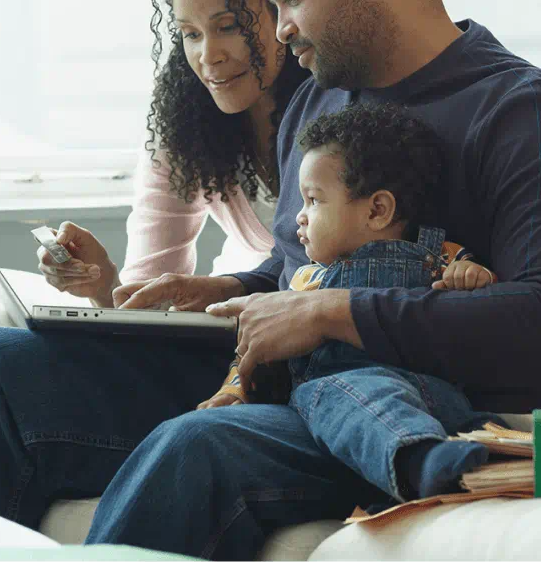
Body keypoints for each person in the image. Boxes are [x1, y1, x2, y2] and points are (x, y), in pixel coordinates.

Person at [0, 0, 541, 562]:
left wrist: (335, 312)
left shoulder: (522, 114)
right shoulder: (316, 105)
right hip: (273, 378)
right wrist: (227, 290)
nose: (280, 28)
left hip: (389, 406)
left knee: (195, 446)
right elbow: (294, 270)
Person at [201, 102, 503, 504]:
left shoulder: (439, 255)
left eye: (313, 200)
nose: (299, 218)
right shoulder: (307, 280)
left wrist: (472, 277)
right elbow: (256, 349)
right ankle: (426, 463)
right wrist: (234, 392)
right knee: (330, 395)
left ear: (377, 209)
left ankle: (481, 456)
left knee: (472, 421)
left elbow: (486, 304)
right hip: (345, 397)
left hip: (433, 391)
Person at [34, 0, 310, 309]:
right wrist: (102, 280)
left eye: (228, 26)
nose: (208, 55)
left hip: (273, 320)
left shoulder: (331, 107)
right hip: (220, 327)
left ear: (282, 11)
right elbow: (143, 297)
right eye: (191, 34)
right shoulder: (188, 125)